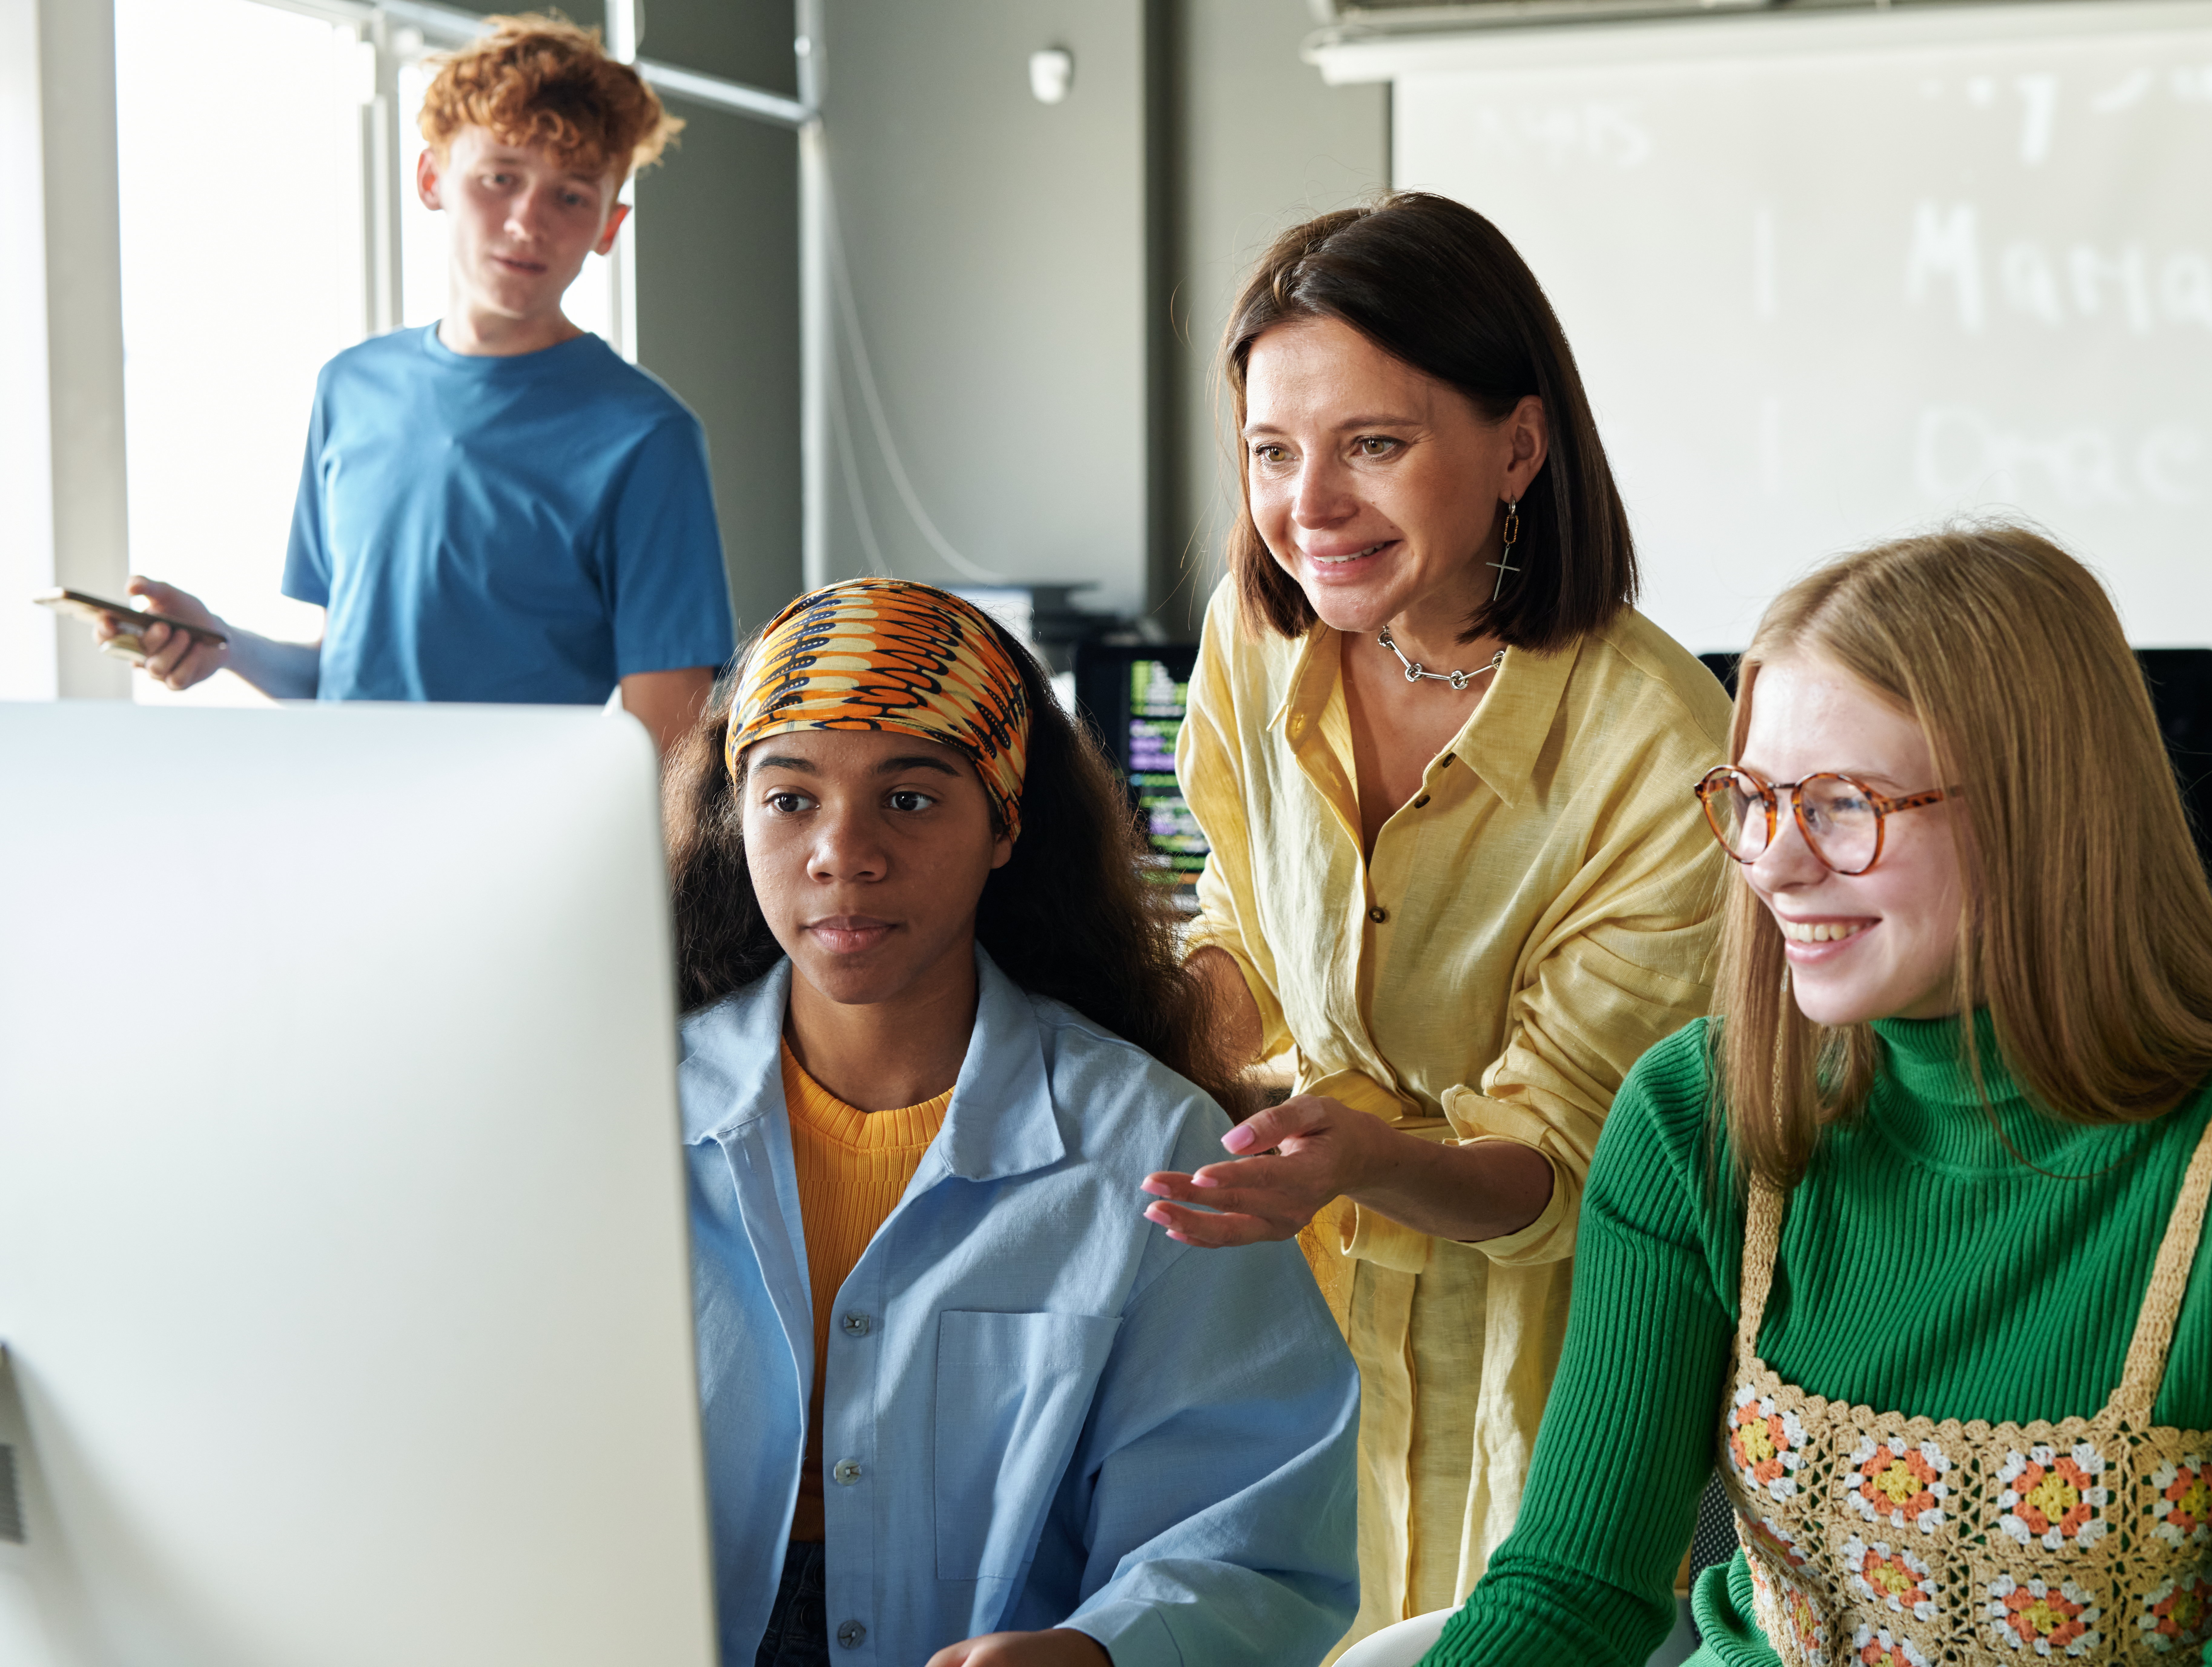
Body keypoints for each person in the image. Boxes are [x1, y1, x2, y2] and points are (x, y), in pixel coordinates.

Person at [1420, 524, 2212, 1666]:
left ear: (2039, 811)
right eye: (1754, 798)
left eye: (1842, 804)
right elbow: (1572, 1591)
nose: (1771, 861)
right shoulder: (1693, 1109)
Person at [1140, 193, 1732, 1651]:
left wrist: (1366, 1157)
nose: (1310, 506)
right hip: (1287, 1312)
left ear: (1518, 448)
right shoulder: (1253, 635)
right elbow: (1242, 926)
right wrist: (1127, 1035)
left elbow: (1571, 1165)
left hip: (1548, 1365)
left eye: (1372, 445)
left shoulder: (1658, 745)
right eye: (1272, 451)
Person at [666, 577, 1360, 1667]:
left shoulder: (1152, 1148)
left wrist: (1098, 1651)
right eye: (790, 798)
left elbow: (1250, 1533)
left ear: (1005, 824)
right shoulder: (618, 1118)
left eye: (909, 799)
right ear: (735, 816)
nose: (843, 851)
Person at [107, 13, 733, 756]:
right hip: (344, 806)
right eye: (500, 178)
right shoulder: (350, 389)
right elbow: (342, 681)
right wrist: (221, 644)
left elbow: (669, 751)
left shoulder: (647, 438)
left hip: (523, 824)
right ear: (432, 179)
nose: (527, 223)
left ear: (609, 225)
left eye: (570, 196)